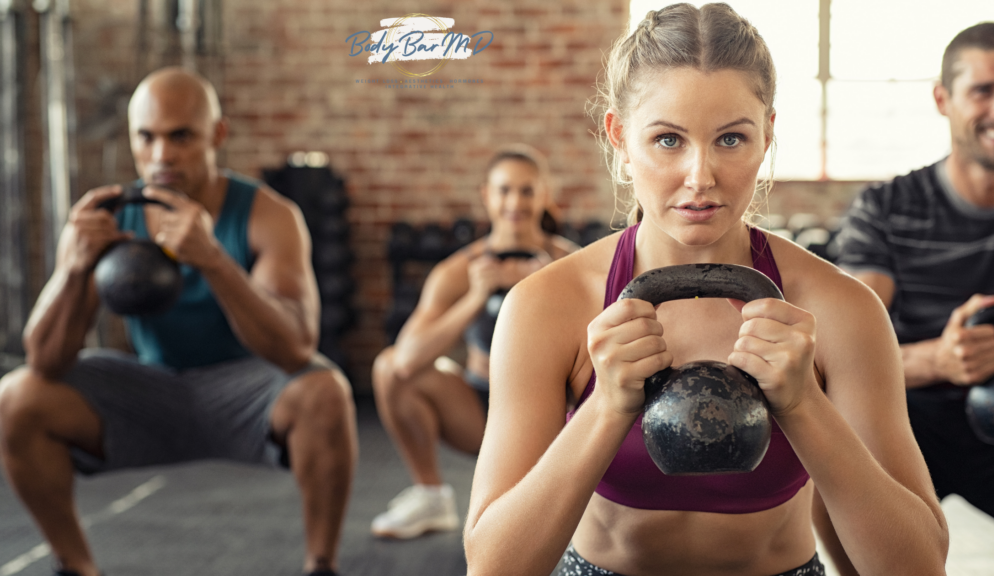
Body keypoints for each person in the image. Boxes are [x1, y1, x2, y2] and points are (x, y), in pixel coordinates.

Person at [462, 4, 949, 576]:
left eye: (731, 139)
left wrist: (803, 405)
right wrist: (606, 408)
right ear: (620, 138)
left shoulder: (839, 308)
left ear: (767, 134)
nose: (700, 176)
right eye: (668, 140)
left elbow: (918, 567)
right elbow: (492, 567)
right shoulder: (547, 305)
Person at [0, 67, 357, 576]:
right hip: (148, 388)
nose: (161, 155)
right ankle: (75, 566)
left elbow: (297, 349)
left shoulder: (268, 215)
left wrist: (213, 259)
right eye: (146, 137)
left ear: (218, 134)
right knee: (17, 396)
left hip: (246, 390)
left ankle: (320, 566)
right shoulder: (104, 217)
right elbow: (46, 359)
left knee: (327, 391)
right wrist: (77, 267)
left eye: (180, 136)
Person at [828, 21, 994, 573]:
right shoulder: (887, 208)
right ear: (944, 99)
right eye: (984, 91)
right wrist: (938, 358)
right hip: (907, 429)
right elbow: (842, 353)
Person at [370, 145, 578, 539]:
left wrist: (548, 290)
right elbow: (405, 360)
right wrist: (474, 298)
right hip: (481, 408)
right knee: (386, 367)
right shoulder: (457, 271)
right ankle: (430, 496)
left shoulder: (570, 265)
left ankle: (590, 499)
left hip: (555, 412)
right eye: (504, 191)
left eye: (526, 191)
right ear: (486, 195)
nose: (514, 202)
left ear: (545, 194)